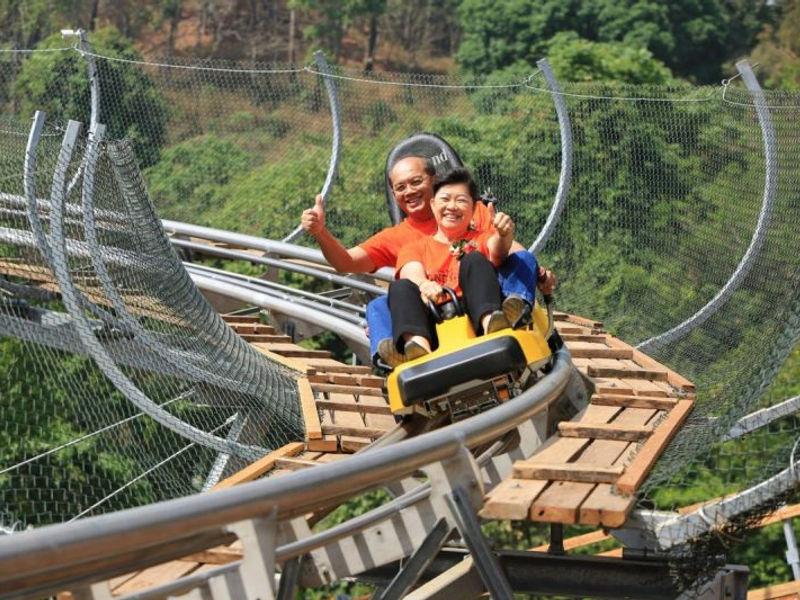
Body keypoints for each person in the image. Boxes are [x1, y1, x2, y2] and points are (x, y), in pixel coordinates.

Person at [301, 154, 556, 365]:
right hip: (436, 304)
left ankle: (509, 312)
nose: (451, 209)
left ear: (433, 183)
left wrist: (537, 272)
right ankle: (408, 350)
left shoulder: (470, 213)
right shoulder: (410, 243)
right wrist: (321, 233)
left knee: (494, 260)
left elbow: (505, 249)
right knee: (381, 304)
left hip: (482, 289)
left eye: (416, 182)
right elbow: (354, 263)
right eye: (401, 187)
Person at [389, 167, 514, 359]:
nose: (452, 207)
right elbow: (410, 271)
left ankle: (492, 325)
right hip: (433, 321)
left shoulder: (481, 238)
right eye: (445, 199)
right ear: (432, 204)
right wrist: (424, 284)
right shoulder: (416, 247)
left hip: (473, 313)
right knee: (400, 287)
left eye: (461, 200)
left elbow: (497, 249)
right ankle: (418, 348)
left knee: (473, 259)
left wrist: (504, 235)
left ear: (473, 208)